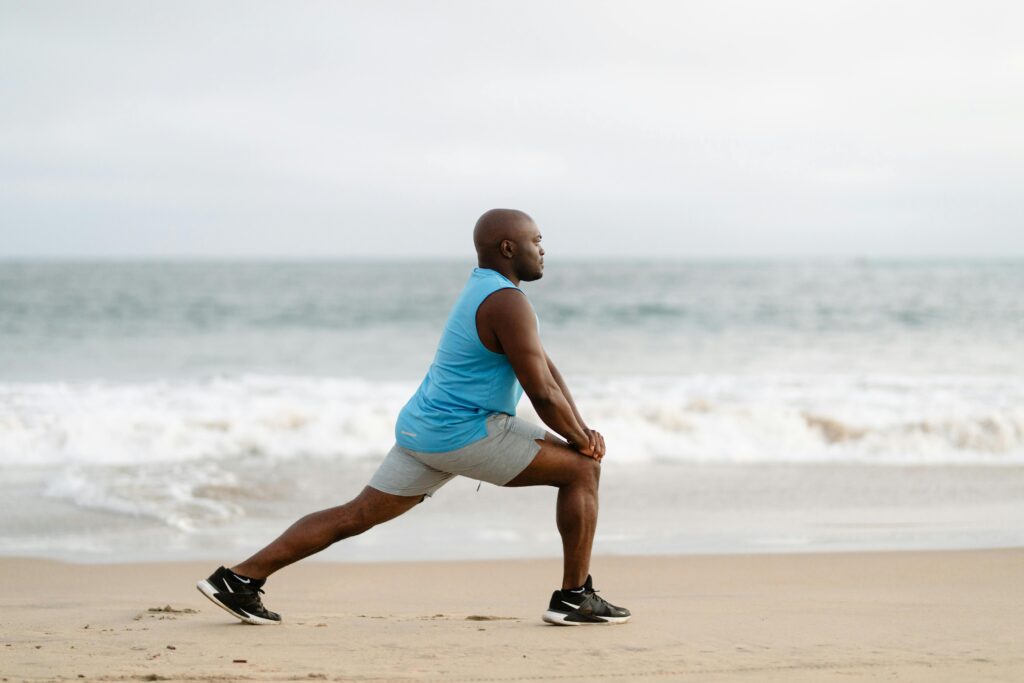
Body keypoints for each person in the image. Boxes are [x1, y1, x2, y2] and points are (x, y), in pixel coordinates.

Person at [196, 209, 631, 626]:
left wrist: (581, 428)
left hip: (423, 428)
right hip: (464, 433)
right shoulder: (506, 302)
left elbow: (546, 369)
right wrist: (581, 441)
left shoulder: (486, 288)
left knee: (356, 514)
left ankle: (239, 579)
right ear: (507, 247)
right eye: (535, 241)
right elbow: (540, 391)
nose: (542, 249)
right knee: (581, 472)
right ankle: (574, 597)